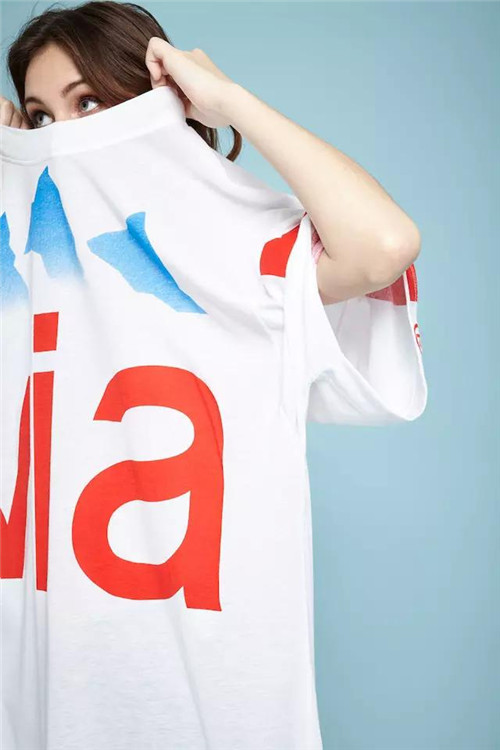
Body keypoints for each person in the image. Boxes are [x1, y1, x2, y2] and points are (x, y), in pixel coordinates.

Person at [0, 3, 428, 749]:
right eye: (39, 117)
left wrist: (230, 101)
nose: (61, 134)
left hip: (197, 695)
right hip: (44, 688)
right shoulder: (18, 246)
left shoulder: (232, 241)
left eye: (88, 103)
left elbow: (383, 244)